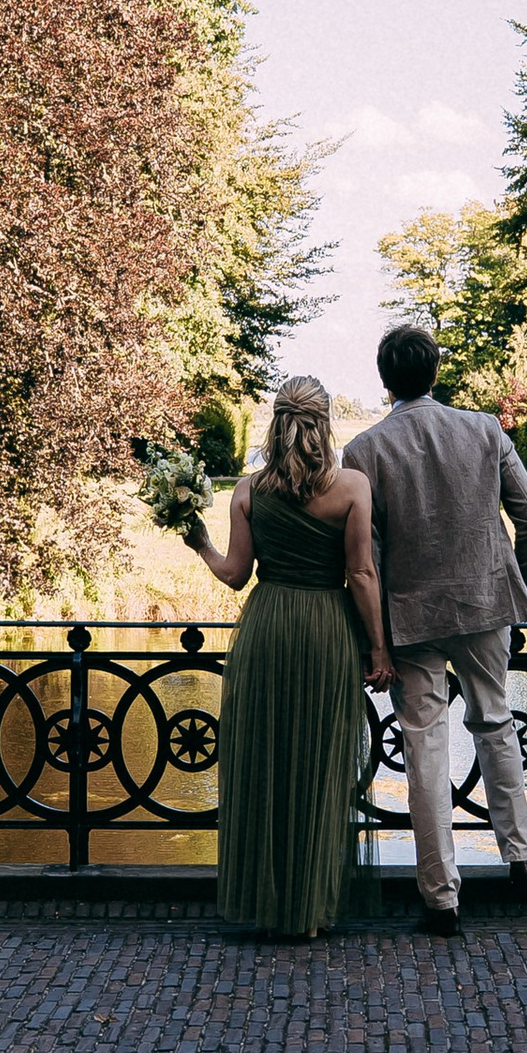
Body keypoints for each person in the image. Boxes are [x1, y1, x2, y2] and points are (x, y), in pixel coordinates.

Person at [342, 323, 527, 937]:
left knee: (424, 749)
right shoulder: (486, 430)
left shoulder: (366, 450)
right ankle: (524, 860)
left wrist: (373, 636)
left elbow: (365, 559)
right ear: (435, 373)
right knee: (496, 724)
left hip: (409, 618)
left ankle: (439, 896)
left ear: (385, 382)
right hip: (485, 606)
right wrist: (518, 590)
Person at [185, 377, 393, 940]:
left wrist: (199, 540)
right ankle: (310, 910)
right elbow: (361, 573)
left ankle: (269, 904)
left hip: (268, 628)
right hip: (327, 628)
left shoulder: (249, 491)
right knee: (320, 769)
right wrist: (378, 648)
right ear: (324, 423)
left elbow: (233, 575)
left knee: (268, 766)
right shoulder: (351, 487)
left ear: (275, 424)